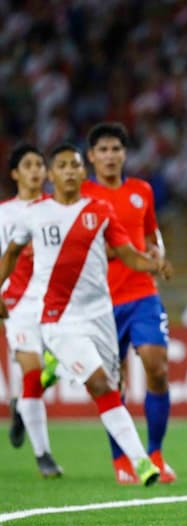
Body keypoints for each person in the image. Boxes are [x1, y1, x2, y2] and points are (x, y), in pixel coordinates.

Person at [0, 143, 169, 486]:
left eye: (75, 166)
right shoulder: (34, 214)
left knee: (113, 382)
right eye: (62, 165)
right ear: (53, 174)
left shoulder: (101, 210)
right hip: (58, 318)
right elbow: (12, 254)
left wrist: (154, 263)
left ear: (82, 171)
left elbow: (128, 255)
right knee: (100, 384)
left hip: (100, 314)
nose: (70, 171)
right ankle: (140, 462)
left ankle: (56, 368)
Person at [82, 122, 176, 484]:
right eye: (102, 150)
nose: (109, 156)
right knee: (111, 379)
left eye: (115, 149)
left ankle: (155, 452)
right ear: (91, 156)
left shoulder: (141, 191)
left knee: (157, 366)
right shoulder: (84, 196)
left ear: (124, 153)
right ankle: (121, 459)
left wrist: (159, 255)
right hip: (101, 300)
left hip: (142, 293)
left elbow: (153, 234)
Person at [0, 143, 61, 476]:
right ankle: (44, 455)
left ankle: (21, 406)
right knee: (33, 373)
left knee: (65, 367)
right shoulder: (4, 213)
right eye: (28, 165)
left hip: (57, 302)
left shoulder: (58, 208)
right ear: (15, 173)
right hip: (19, 304)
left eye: (40, 164)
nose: (36, 170)